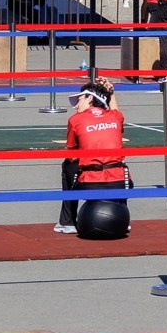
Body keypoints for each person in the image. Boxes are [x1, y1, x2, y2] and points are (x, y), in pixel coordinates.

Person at [57, 75, 131, 233]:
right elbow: (116, 110)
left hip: (91, 183)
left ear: (90, 98)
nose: (76, 105)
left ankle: (68, 221)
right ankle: (122, 214)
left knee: (68, 165)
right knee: (118, 163)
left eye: (80, 100)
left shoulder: (75, 120)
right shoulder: (115, 117)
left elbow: (72, 154)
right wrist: (110, 92)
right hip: (121, 182)